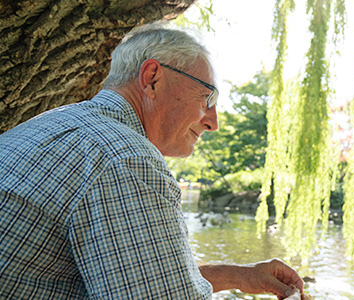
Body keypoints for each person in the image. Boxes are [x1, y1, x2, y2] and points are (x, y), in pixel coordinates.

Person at [0, 24, 304, 299]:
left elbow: (143, 278)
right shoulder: (126, 158)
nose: (213, 122)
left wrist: (241, 276)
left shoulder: (53, 123)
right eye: (207, 98)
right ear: (152, 78)